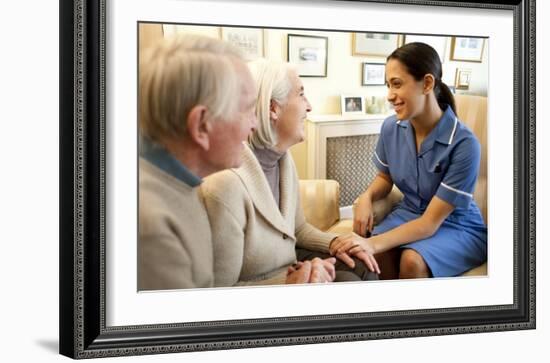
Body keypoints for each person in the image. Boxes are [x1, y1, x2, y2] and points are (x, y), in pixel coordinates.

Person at [201, 60, 380, 287]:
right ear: (273, 108)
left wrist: (336, 242)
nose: (309, 107)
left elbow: (297, 229)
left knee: (360, 265)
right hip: (261, 283)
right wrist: (289, 284)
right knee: (347, 282)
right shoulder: (224, 184)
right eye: (302, 95)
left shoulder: (282, 158)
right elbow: (219, 291)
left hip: (289, 263)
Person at [330, 42, 487, 279]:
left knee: (411, 261)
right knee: (373, 255)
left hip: (455, 226)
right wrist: (366, 197)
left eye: (397, 84)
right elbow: (385, 176)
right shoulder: (391, 127)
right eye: (388, 85)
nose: (390, 96)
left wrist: (373, 243)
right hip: (410, 213)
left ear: (427, 83)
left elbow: (430, 223)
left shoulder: (465, 144)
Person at [138, 34, 259, 290]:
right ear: (201, 126)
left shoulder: (179, 184)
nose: (255, 125)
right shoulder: (151, 229)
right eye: (248, 110)